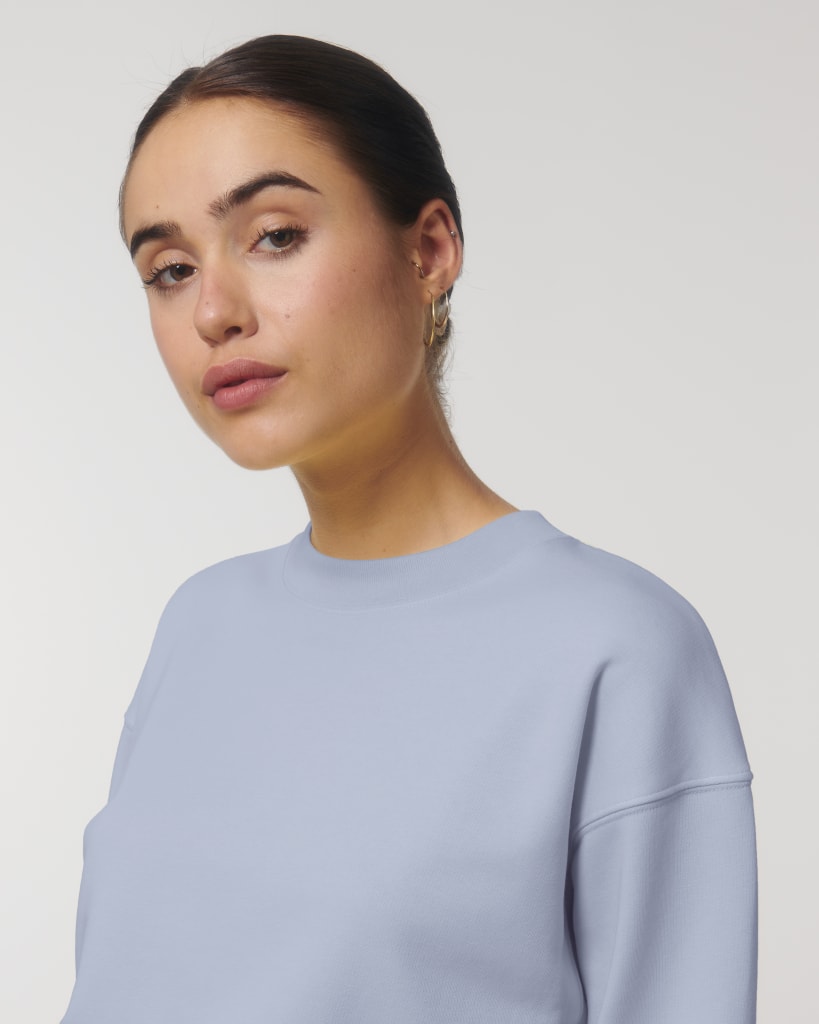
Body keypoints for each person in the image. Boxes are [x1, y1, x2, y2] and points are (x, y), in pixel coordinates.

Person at [62, 35, 757, 1024]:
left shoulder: (613, 648)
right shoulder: (199, 625)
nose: (213, 311)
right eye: (169, 269)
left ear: (429, 251)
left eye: (274, 235)